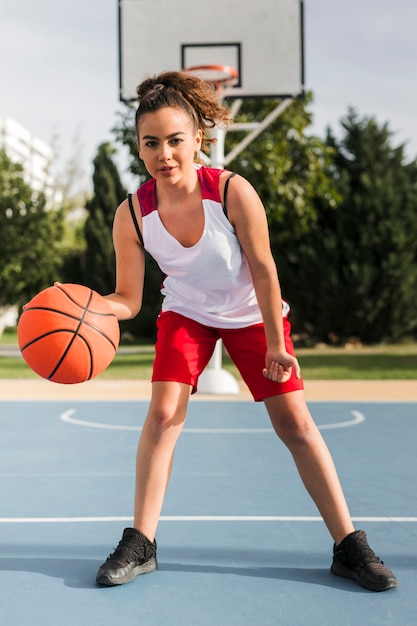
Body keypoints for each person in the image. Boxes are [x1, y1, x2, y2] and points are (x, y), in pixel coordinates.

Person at [95, 71, 398, 592]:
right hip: (188, 311)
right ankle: (141, 541)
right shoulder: (132, 214)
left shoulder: (232, 190)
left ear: (196, 140)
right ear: (139, 147)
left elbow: (262, 268)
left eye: (174, 140)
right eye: (151, 143)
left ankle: (350, 546)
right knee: (163, 414)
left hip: (251, 312)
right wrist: (84, 308)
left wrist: (278, 345)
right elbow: (128, 299)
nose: (164, 153)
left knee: (295, 424)